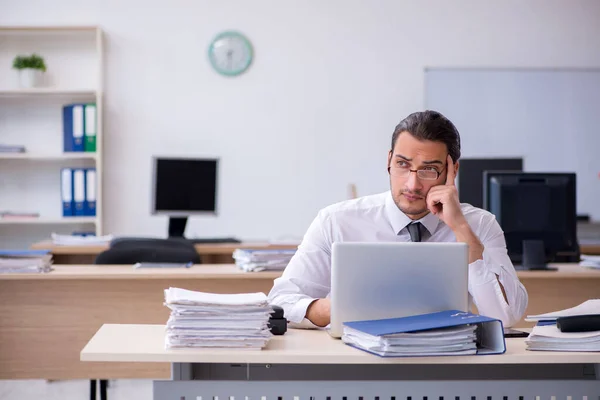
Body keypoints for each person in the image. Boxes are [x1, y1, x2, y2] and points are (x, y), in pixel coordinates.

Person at [268, 110, 528, 328]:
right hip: (356, 363)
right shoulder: (336, 221)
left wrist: (461, 229)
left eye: (429, 169)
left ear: (452, 171)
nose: (412, 184)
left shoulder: (479, 225)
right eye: (403, 165)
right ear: (389, 161)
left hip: (445, 363)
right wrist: (337, 310)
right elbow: (281, 301)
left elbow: (505, 317)